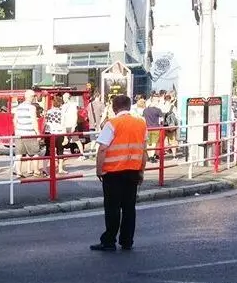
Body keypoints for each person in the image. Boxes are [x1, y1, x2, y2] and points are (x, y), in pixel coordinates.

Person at [91, 95, 147, 251]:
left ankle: (109, 240)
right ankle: (127, 240)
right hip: (133, 170)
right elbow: (143, 150)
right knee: (129, 208)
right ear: (129, 106)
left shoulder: (112, 123)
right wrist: (141, 171)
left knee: (112, 208)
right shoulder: (141, 124)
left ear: (114, 108)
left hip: (113, 172)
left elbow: (102, 149)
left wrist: (99, 169)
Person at [13, 89, 41, 177]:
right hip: (30, 133)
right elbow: (34, 121)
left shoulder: (18, 107)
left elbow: (14, 120)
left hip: (19, 133)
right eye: (33, 96)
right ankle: (36, 171)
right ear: (31, 97)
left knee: (18, 154)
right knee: (35, 153)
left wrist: (16, 130)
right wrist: (38, 133)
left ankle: (18, 172)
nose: (34, 98)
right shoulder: (32, 107)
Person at [42, 96, 67, 175]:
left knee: (48, 151)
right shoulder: (62, 112)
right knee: (60, 151)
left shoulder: (48, 112)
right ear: (60, 103)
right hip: (59, 132)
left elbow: (45, 123)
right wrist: (65, 136)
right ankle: (60, 169)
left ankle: (44, 168)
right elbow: (63, 124)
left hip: (49, 132)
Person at [61, 93, 86, 160]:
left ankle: (82, 154)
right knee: (64, 140)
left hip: (71, 125)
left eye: (64, 97)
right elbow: (62, 117)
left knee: (76, 140)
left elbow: (75, 115)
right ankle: (62, 154)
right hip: (65, 125)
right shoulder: (63, 106)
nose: (63, 99)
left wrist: (74, 125)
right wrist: (62, 125)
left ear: (67, 98)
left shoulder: (73, 105)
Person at [143, 98, 164, 163]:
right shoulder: (158, 110)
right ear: (155, 102)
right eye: (157, 101)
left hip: (147, 128)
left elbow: (143, 119)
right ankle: (152, 156)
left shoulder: (145, 110)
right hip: (155, 128)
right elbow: (162, 120)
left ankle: (149, 157)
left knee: (149, 143)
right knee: (154, 143)